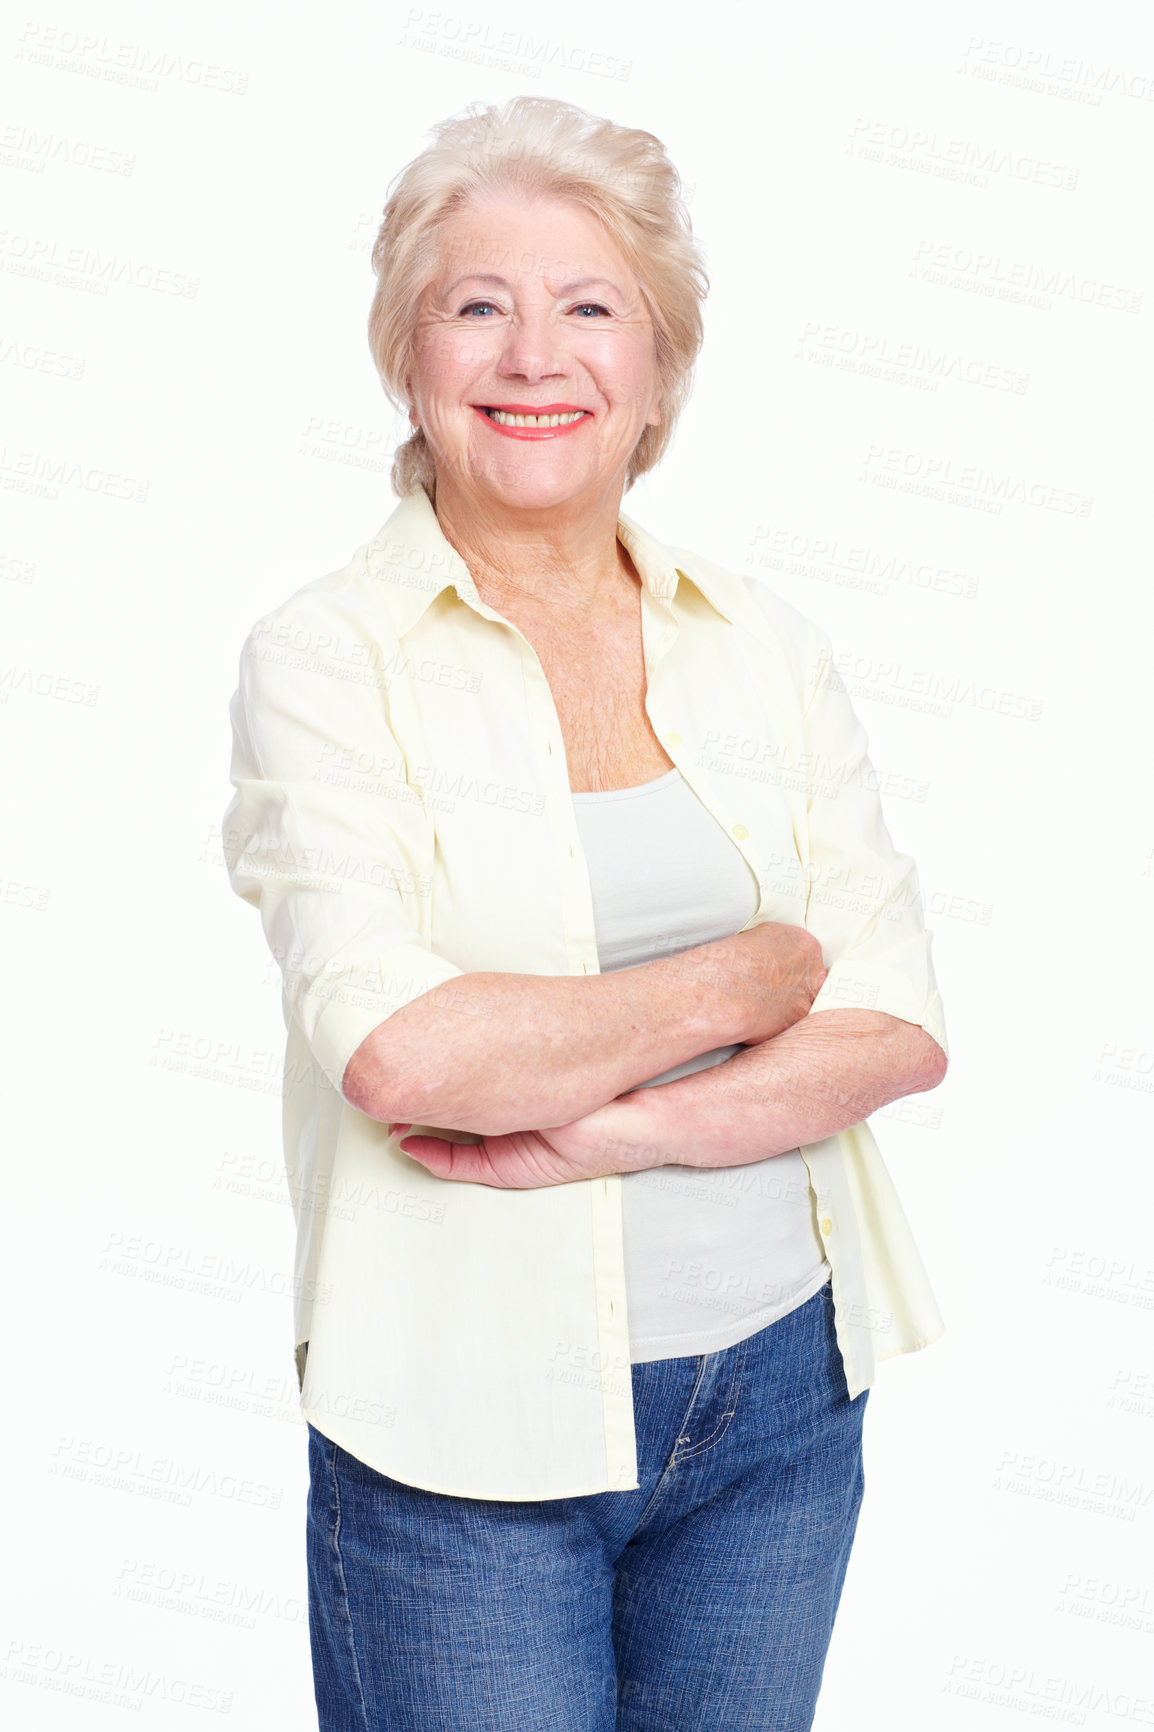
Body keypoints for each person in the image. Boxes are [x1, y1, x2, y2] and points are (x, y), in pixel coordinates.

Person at [223, 94, 949, 1732]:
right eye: (475, 304)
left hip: (777, 1400)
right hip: (456, 1426)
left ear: (659, 370)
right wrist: (746, 978)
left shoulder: (758, 641)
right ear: (408, 358)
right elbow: (406, 1053)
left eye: (589, 307)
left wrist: (609, 1131)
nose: (531, 355)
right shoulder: (326, 660)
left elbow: (894, 1030)